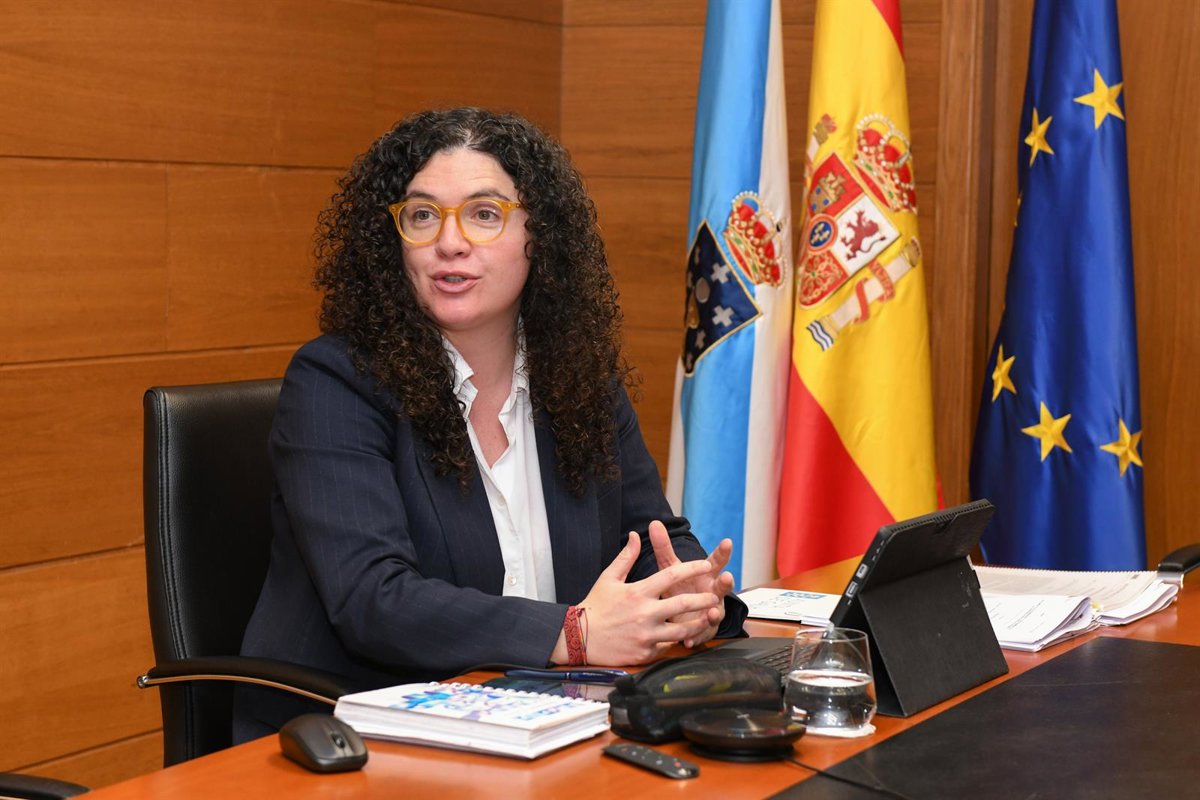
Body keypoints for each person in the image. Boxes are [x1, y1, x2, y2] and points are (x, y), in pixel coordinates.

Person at [233, 107, 747, 740]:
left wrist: (688, 598)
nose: (450, 242)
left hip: (542, 720)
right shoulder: (337, 382)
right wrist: (576, 633)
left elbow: (653, 537)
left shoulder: (578, 379)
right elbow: (373, 599)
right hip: (355, 738)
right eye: (422, 215)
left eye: (483, 213)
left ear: (541, 235)